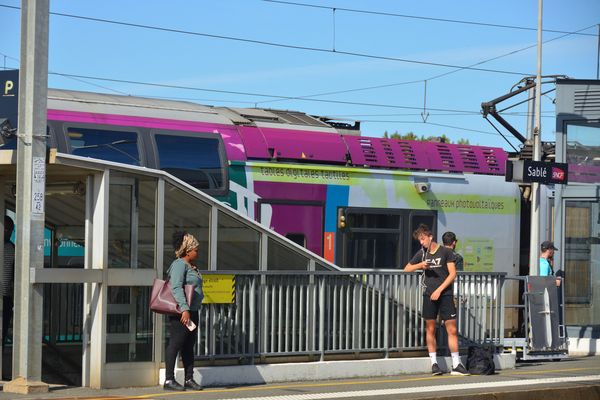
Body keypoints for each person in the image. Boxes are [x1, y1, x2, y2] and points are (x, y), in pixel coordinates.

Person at [405, 224, 469, 376]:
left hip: (445, 295)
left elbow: (452, 274)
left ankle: (456, 364)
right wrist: (421, 265)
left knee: (452, 329)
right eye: (419, 240)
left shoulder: (446, 251)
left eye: (423, 239)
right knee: (430, 329)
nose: (421, 242)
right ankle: (434, 364)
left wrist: (439, 290)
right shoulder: (422, 253)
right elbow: (406, 268)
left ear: (430, 236)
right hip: (428, 295)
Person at [164, 231, 204, 391]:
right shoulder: (179, 265)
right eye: (195, 249)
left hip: (192, 311)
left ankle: (189, 378)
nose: (197, 252)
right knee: (176, 343)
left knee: (188, 345)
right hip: (182, 313)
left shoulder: (190, 266)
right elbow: (175, 287)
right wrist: (184, 310)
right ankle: (168, 380)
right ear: (187, 250)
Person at [1, 216, 15, 348]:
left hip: (6, 298)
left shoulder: (13, 248)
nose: (8, 232)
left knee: (3, 331)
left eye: (10, 229)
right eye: (5, 228)